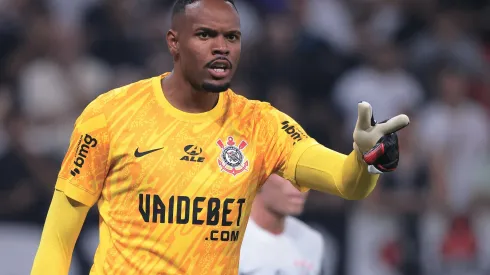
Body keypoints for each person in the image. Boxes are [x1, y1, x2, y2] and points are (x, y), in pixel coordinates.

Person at [31, 0, 409, 274]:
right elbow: (60, 235)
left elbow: (346, 183)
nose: (221, 47)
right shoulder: (110, 114)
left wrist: (367, 159)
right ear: (173, 42)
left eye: (232, 36)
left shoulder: (261, 124)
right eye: (205, 35)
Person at [239, 174, 326, 275]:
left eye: (303, 172)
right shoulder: (226, 238)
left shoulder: (312, 240)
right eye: (284, 172)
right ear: (258, 176)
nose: (300, 184)